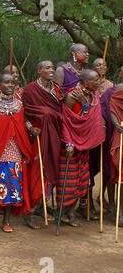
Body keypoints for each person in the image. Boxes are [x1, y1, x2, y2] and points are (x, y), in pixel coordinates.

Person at [0, 74, 33, 232]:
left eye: (13, 83)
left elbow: (22, 125)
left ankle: (6, 219)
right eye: (6, 82)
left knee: (13, 184)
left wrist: (30, 128)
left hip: (15, 150)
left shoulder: (19, 104)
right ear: (0, 84)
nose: (10, 85)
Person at [56, 69, 105, 227]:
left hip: (85, 145)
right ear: (87, 83)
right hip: (70, 145)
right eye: (96, 79)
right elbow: (65, 122)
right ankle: (62, 211)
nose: (99, 82)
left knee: (82, 179)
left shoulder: (94, 96)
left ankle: (72, 211)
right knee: (67, 180)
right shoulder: (72, 96)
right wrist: (69, 142)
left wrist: (86, 105)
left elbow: (92, 118)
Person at [21, 60, 63, 228]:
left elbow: (61, 113)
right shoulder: (30, 90)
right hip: (37, 138)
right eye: (47, 68)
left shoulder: (57, 90)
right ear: (39, 71)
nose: (51, 70)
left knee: (52, 170)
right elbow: (23, 111)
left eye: (52, 67)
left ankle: (41, 206)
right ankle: (29, 211)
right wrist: (30, 128)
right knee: (38, 172)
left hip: (55, 137)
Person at [98, 66, 123, 214]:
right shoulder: (110, 92)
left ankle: (119, 208)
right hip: (112, 135)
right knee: (111, 170)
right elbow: (104, 111)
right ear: (119, 74)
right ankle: (113, 206)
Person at [109, 82, 123, 227]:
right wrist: (116, 124)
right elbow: (113, 109)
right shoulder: (119, 89)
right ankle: (120, 211)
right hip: (122, 132)